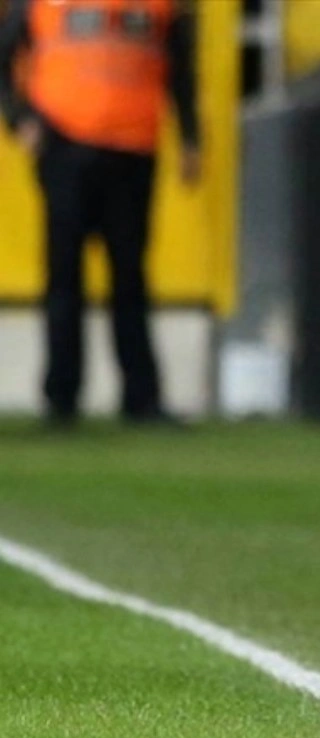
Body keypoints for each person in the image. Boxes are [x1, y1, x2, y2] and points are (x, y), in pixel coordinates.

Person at [0, 0, 201, 426]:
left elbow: (180, 66)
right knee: (64, 276)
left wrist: (190, 136)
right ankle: (61, 398)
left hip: (134, 148)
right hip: (65, 144)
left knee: (130, 277)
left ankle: (141, 398)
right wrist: (20, 119)